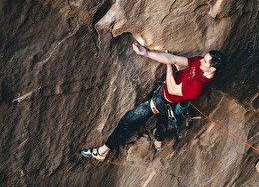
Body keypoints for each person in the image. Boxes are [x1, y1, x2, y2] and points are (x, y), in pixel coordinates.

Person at [81, 42, 225, 161]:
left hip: (161, 100)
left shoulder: (197, 87)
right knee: (163, 119)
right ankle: (158, 143)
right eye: (203, 57)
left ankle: (102, 151)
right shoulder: (198, 64)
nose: (201, 60)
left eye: (205, 61)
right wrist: (145, 53)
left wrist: (168, 66)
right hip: (167, 99)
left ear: (212, 68)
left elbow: (173, 88)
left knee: (128, 120)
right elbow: (174, 58)